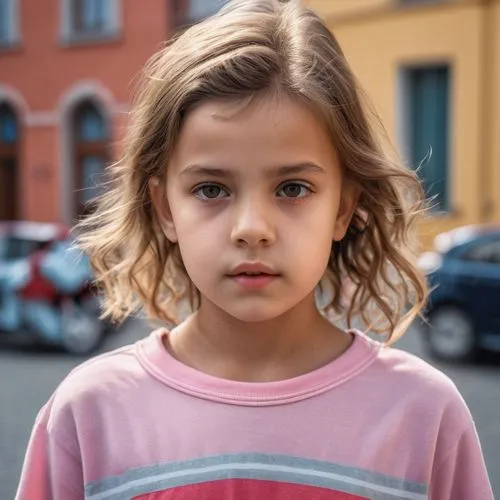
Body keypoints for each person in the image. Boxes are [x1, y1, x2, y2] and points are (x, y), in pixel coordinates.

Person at [16, 1, 493, 499]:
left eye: (292, 189)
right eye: (210, 189)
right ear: (163, 208)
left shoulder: (423, 416)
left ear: (343, 208)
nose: (251, 229)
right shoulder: (89, 415)